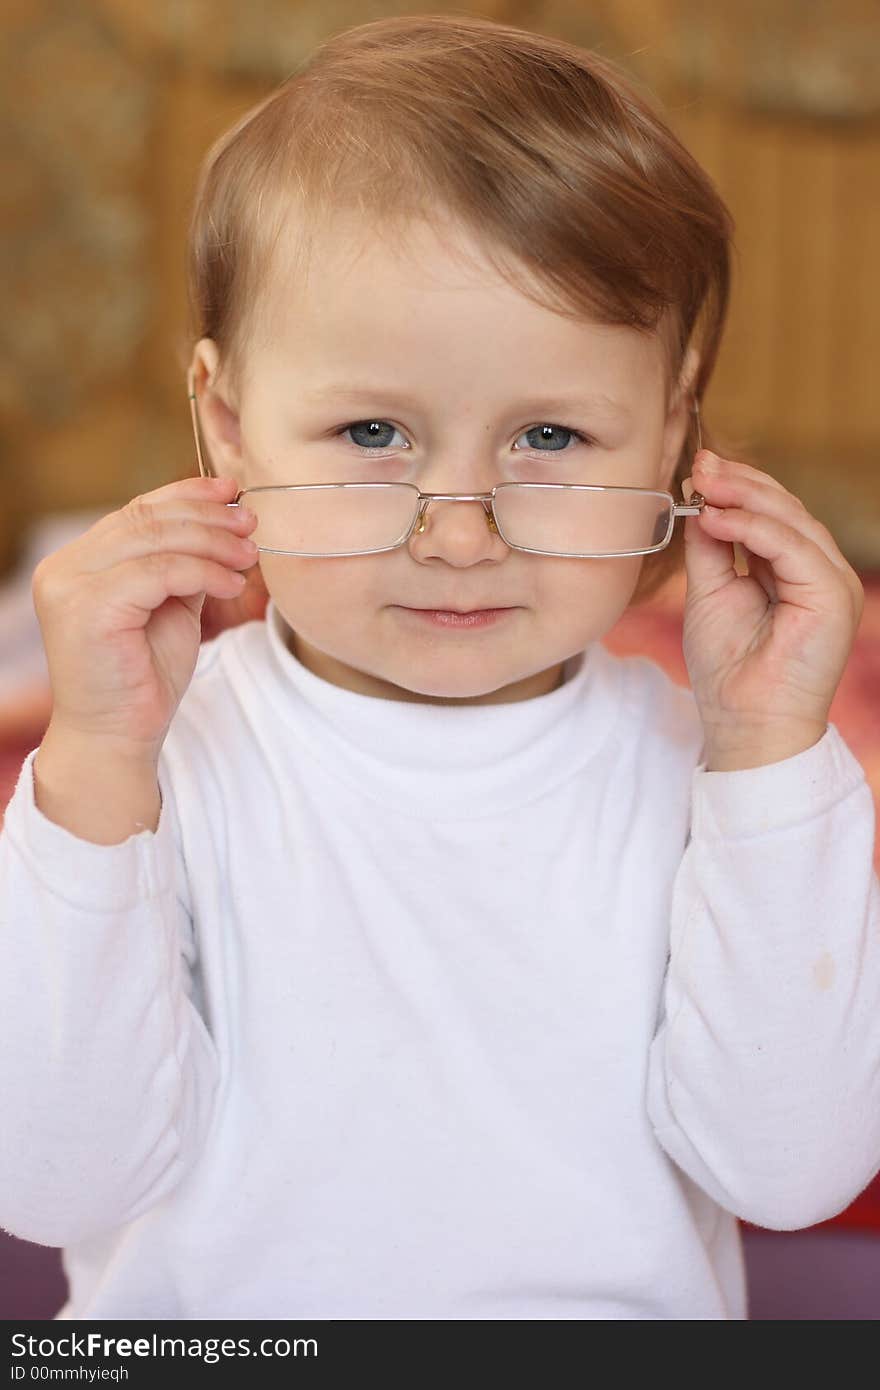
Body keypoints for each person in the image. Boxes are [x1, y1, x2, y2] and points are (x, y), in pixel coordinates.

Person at [1, 14, 878, 1322]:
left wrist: (771, 761)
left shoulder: (716, 767)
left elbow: (794, 1173)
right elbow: (51, 1184)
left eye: (550, 432)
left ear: (675, 425)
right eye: (372, 430)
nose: (460, 533)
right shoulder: (151, 761)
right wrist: (93, 766)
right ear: (231, 428)